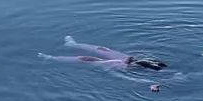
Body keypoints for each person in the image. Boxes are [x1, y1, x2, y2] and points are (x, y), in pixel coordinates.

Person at [39, 36, 168, 70]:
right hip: (133, 62)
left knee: (87, 59)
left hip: (128, 66)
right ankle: (73, 45)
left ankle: (52, 59)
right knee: (104, 50)